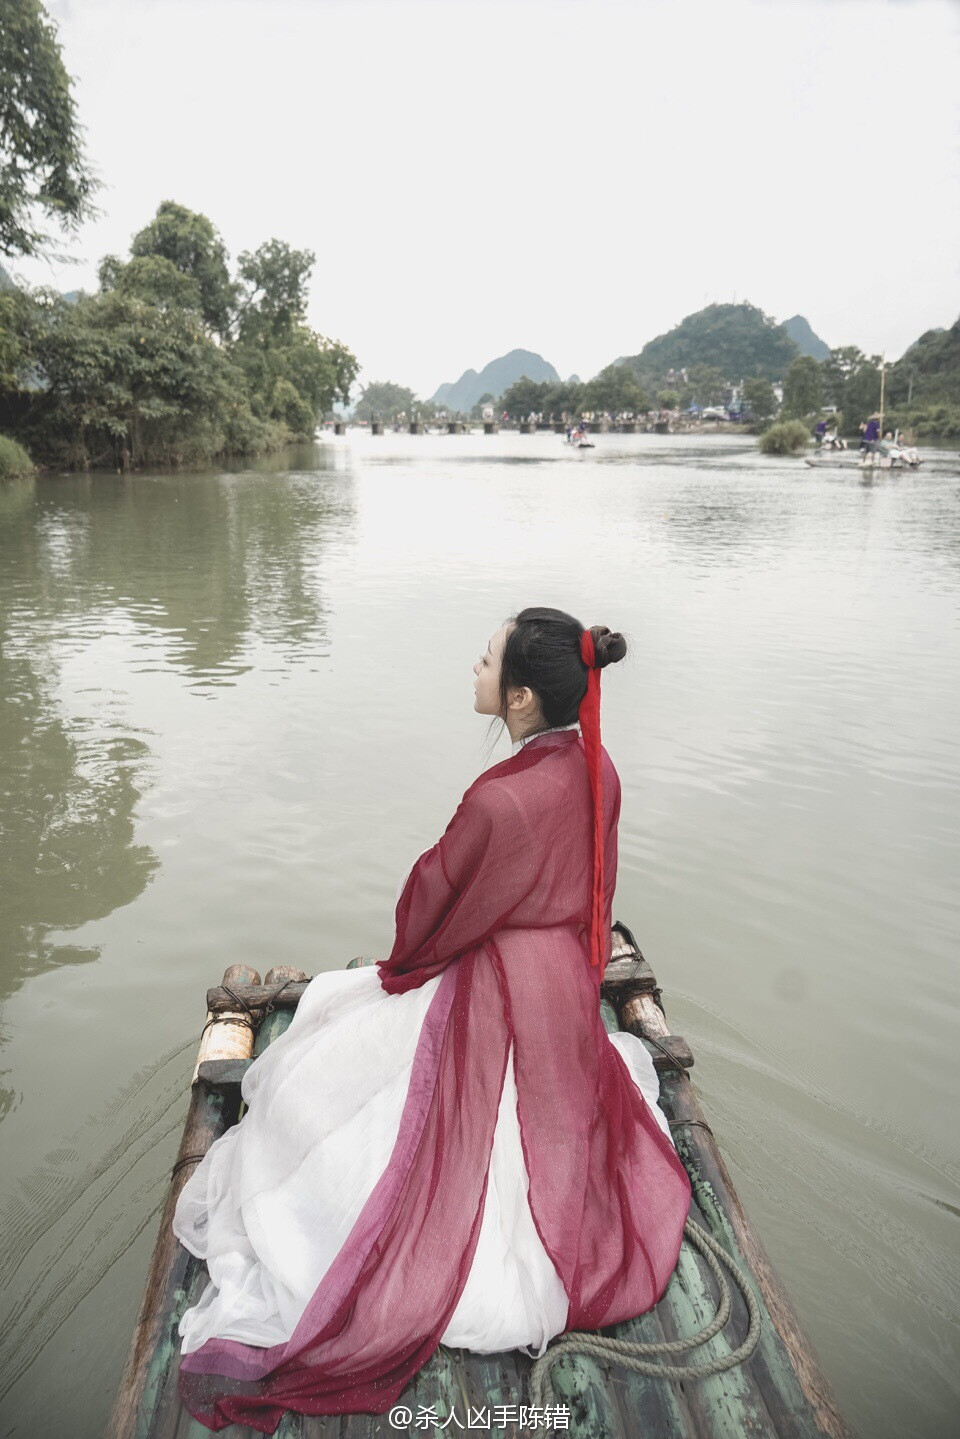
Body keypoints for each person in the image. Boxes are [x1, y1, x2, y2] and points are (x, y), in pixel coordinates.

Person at [172, 608, 691, 1432]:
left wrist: (402, 969)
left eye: (485, 660)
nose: (474, 667)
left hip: (494, 986)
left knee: (315, 1069)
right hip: (560, 989)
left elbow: (429, 916)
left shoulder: (499, 802)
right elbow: (598, 895)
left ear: (519, 698)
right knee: (555, 1108)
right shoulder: (603, 769)